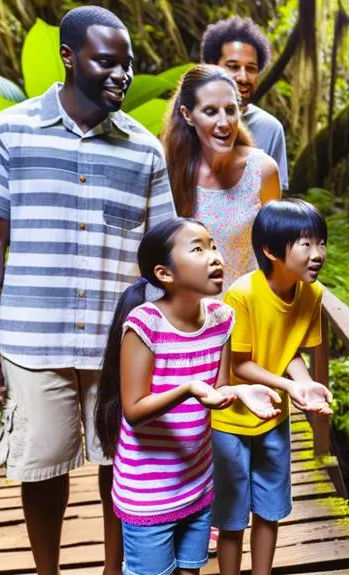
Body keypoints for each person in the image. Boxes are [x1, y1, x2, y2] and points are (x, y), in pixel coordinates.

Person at [0, 6, 174, 574]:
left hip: (119, 340)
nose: (121, 75)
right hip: (34, 337)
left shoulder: (145, 148)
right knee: (42, 467)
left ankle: (113, 569)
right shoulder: (8, 130)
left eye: (128, 65)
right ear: (69, 56)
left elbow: (161, 253)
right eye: (107, 62)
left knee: (120, 468)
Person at [94, 217, 278, 575]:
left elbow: (219, 386)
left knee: (191, 569)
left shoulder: (222, 318)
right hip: (147, 491)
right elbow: (133, 409)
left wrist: (240, 390)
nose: (215, 257)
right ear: (164, 273)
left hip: (196, 482)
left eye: (213, 246)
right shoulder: (145, 325)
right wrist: (188, 388)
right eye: (199, 249)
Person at [213, 198, 334, 575]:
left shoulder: (312, 293)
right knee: (232, 520)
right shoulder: (243, 294)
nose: (318, 254)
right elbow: (240, 364)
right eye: (306, 244)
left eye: (321, 242)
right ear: (270, 250)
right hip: (230, 421)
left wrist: (305, 384)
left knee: (270, 510)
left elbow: (289, 350)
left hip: (274, 417)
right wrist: (289, 385)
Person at [163, 64, 281, 289]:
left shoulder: (262, 170)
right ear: (187, 115)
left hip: (243, 311)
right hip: (187, 314)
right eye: (210, 111)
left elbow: (273, 256)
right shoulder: (170, 170)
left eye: (230, 109)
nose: (224, 122)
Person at [199, 17, 289, 190]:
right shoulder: (190, 119)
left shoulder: (270, 128)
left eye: (251, 69)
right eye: (233, 66)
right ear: (212, 65)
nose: (243, 77)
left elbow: (272, 202)